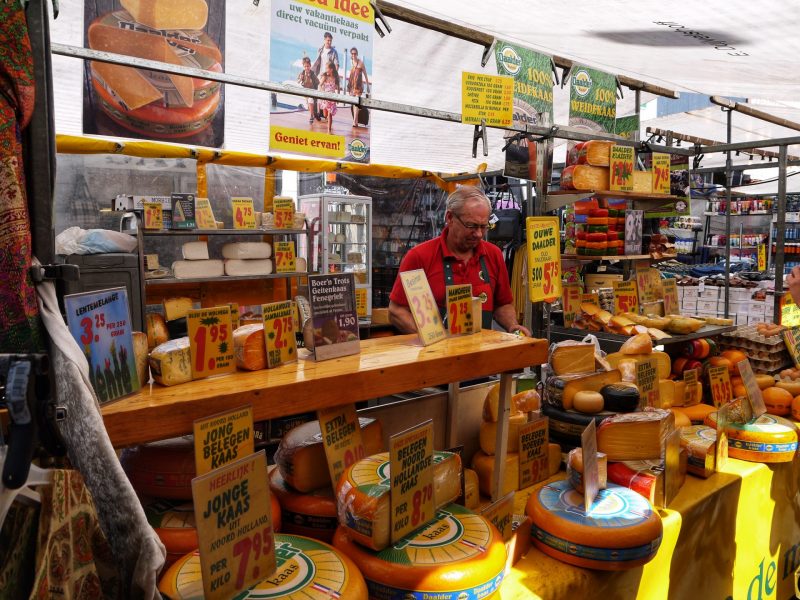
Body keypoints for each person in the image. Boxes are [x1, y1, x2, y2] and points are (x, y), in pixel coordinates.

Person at [388, 185, 531, 336]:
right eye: (471, 225)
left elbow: (502, 304)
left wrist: (513, 326)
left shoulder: (493, 254)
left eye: (483, 226)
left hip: (481, 355)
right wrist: (432, 340)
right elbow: (397, 311)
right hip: (435, 356)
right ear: (449, 218)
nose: (478, 234)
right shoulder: (419, 256)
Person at [347, 47, 369, 127]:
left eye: (355, 53)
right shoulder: (351, 61)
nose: (353, 55)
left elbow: (365, 74)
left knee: (356, 102)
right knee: (354, 103)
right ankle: (355, 121)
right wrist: (349, 85)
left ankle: (354, 121)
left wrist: (367, 86)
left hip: (359, 86)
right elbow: (352, 74)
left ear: (357, 54)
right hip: (353, 84)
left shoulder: (361, 63)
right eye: (352, 54)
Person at [317, 61, 340, 134]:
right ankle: (326, 117)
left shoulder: (335, 77)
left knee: (330, 115)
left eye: (327, 68)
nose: (326, 70)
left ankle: (329, 130)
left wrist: (338, 98)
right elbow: (320, 85)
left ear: (331, 69)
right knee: (325, 115)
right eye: (326, 68)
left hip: (332, 98)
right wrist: (322, 92)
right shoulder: (325, 77)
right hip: (325, 97)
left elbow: (338, 88)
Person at [296, 56, 319, 124]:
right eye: (305, 66)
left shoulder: (312, 74)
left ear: (310, 66)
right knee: (309, 106)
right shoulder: (302, 73)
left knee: (311, 101)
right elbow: (298, 81)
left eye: (308, 66)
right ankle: (314, 115)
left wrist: (316, 91)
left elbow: (318, 82)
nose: (307, 68)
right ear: (303, 66)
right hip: (305, 91)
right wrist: (300, 79)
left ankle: (311, 116)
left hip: (312, 91)